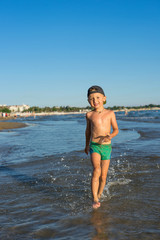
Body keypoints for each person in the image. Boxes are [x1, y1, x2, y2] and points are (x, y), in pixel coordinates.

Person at [84, 85, 119, 209]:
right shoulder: (89, 115)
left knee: (103, 176)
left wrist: (110, 136)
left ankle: (99, 194)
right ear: (88, 101)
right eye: (91, 99)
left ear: (104, 98)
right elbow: (88, 131)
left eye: (98, 97)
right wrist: (86, 145)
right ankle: (94, 198)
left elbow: (116, 130)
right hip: (95, 146)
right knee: (96, 169)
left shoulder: (110, 113)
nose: (95, 101)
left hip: (107, 147)